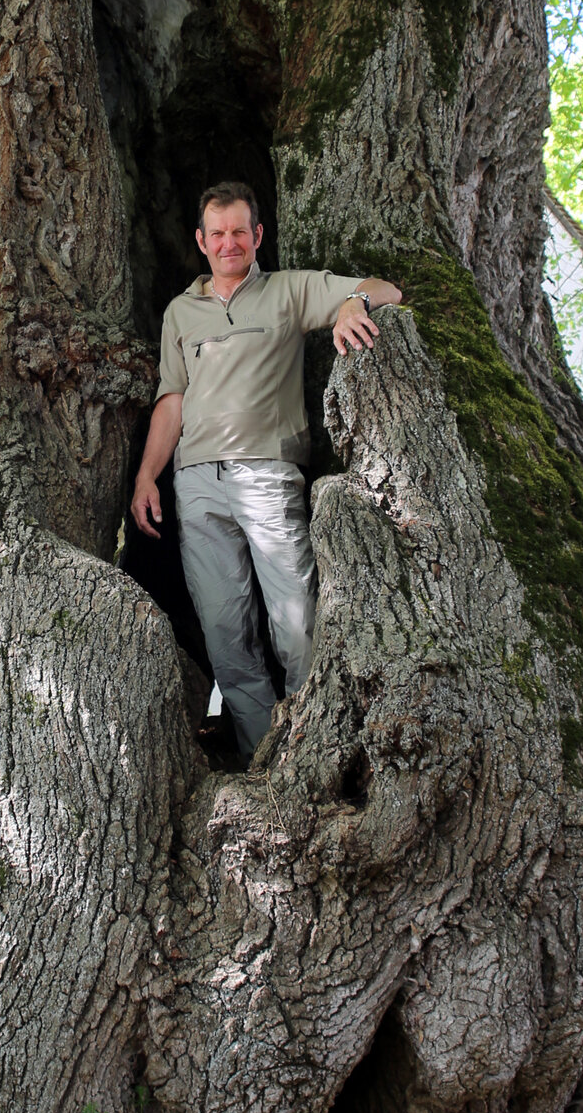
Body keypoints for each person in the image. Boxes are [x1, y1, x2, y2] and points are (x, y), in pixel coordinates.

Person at [130, 181, 403, 760]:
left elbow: (386, 288)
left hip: (268, 475)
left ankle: (317, 751)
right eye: (217, 234)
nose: (229, 244)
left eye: (239, 232)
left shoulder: (287, 291)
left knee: (298, 621)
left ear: (257, 236)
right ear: (201, 242)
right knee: (227, 638)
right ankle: (262, 762)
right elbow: (172, 397)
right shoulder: (181, 312)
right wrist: (147, 476)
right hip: (197, 485)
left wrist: (356, 302)